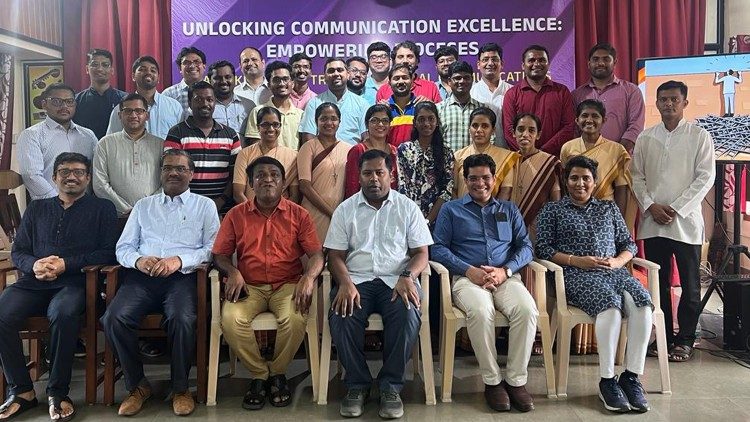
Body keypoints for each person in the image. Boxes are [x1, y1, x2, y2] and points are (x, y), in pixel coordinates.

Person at [101, 149, 220, 417]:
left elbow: (211, 249)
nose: (173, 173)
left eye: (180, 168)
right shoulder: (144, 206)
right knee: (114, 318)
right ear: (161, 173)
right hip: (142, 278)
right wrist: (139, 260)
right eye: (167, 168)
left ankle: (180, 388)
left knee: (182, 318)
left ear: (192, 174)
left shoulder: (205, 206)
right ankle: (137, 386)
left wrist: (179, 260)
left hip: (183, 278)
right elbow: (123, 247)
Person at [0, 153, 116, 421]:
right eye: (64, 172)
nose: (71, 177)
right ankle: (22, 391)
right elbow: (19, 252)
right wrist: (35, 264)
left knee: (62, 313)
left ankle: (57, 392)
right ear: (54, 177)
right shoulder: (37, 208)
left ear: (88, 178)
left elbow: (108, 252)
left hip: (76, 283)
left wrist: (66, 264)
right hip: (34, 282)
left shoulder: (103, 208)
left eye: (78, 172)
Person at [536, 155, 653, 413]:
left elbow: (629, 244)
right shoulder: (553, 210)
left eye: (586, 178)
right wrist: (576, 261)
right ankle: (607, 380)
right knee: (610, 307)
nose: (580, 183)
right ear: (565, 181)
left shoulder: (608, 208)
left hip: (614, 273)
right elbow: (543, 248)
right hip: (576, 275)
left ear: (595, 181)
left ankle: (631, 377)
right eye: (574, 178)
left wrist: (618, 261)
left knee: (643, 305)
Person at [325, 149, 433, 419]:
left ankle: (390, 386)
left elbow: (421, 253)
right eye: (367, 173)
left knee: (408, 313)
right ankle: (357, 384)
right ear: (359, 176)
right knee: (342, 313)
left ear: (391, 175)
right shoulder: (345, 210)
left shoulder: (407, 207)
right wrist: (345, 283)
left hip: (396, 280)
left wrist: (407, 276)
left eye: (379, 172)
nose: (373, 178)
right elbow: (335, 256)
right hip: (356, 280)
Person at [213, 156, 324, 410]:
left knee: (295, 317)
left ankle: (278, 372)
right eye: (260, 175)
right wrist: (232, 271)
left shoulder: (299, 214)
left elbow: (317, 255)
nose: (268, 179)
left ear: (283, 182)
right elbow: (219, 254)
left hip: (287, 285)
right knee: (230, 319)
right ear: (251, 183)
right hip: (249, 286)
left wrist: (309, 277)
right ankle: (260, 374)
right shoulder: (236, 215)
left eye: (274, 175)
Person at [432, 153, 537, 413]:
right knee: (481, 311)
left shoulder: (509, 210)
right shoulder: (451, 210)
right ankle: (492, 381)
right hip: (467, 279)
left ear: (495, 179)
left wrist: (505, 271)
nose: (480, 183)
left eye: (486, 177)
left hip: (505, 278)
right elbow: (438, 248)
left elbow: (526, 247)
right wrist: (469, 271)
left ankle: (516, 381)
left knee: (527, 310)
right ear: (465, 180)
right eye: (474, 178)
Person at [632, 80, 715, 363]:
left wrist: (676, 208)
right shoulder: (646, 137)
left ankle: (686, 339)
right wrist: (651, 206)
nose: (668, 104)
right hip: (653, 222)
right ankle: (664, 337)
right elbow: (637, 176)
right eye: (663, 99)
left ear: (685, 103)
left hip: (685, 223)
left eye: (674, 99)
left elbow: (705, 178)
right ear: (656, 103)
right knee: (659, 284)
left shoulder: (699, 136)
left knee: (690, 285)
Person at [164, 81, 241, 213]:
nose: (205, 104)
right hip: (186, 208)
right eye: (198, 99)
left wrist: (221, 200)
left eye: (209, 99)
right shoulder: (176, 133)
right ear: (189, 103)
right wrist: (191, 203)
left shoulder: (231, 135)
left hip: (222, 209)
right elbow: (172, 173)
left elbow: (236, 175)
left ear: (215, 102)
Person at [561, 99, 637, 231]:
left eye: (595, 116)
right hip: (574, 213)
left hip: (605, 213)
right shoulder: (567, 148)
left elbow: (621, 189)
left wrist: (618, 222)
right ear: (577, 120)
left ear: (604, 120)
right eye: (584, 116)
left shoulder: (616, 149)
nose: (589, 120)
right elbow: (565, 185)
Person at [18, 83, 98, 200]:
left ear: (75, 105)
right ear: (44, 104)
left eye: (69, 101)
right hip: (48, 205)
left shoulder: (88, 135)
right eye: (57, 101)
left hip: (85, 205)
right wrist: (59, 202)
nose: (64, 106)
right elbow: (31, 176)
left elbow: (96, 172)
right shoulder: (32, 135)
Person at [93, 93, 163, 220]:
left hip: (152, 215)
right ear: (120, 115)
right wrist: (126, 210)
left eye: (139, 111)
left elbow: (167, 182)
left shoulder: (161, 145)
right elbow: (99, 184)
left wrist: (145, 208)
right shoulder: (105, 144)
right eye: (128, 111)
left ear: (147, 115)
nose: (133, 115)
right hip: (116, 216)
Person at [502, 45, 575, 156]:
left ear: (548, 64)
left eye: (541, 60)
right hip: (521, 159)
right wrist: (527, 152)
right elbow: (508, 130)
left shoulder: (562, 92)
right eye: (531, 60)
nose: (536, 64)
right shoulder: (512, 94)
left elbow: (568, 127)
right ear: (523, 65)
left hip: (554, 159)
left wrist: (542, 153)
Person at [572, 43, 645, 154]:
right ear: (589, 64)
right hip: (585, 159)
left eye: (606, 59)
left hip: (620, 158)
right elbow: (574, 130)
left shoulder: (631, 91)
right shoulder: (577, 95)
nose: (600, 63)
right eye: (596, 59)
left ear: (614, 62)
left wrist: (614, 154)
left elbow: (635, 127)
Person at [297, 102, 352, 242]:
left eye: (333, 118)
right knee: (312, 252)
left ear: (339, 122)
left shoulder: (349, 149)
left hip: (340, 214)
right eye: (323, 119)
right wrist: (331, 212)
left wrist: (339, 214)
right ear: (316, 121)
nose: (329, 123)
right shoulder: (308, 147)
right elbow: (304, 186)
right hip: (313, 212)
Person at [397, 101, 454, 226]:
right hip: (407, 217)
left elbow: (447, 189)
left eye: (431, 119)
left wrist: (428, 220)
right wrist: (412, 218)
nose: (426, 123)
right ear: (414, 123)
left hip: (436, 219)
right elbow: (402, 185)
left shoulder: (446, 153)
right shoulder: (404, 150)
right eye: (421, 119)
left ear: (437, 122)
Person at [233, 107, 299, 204]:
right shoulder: (245, 154)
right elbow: (238, 193)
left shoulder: (292, 156)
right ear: (257, 127)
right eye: (265, 125)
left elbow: (295, 195)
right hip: (249, 210)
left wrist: (281, 212)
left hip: (282, 211)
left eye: (275, 125)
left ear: (280, 126)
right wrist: (251, 211)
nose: (271, 129)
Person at [106, 56, 183, 139]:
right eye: (142, 69)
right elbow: (111, 140)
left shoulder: (174, 106)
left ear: (158, 78)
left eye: (153, 70)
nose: (148, 72)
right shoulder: (121, 109)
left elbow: (182, 139)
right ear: (133, 76)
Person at [509, 113, 561, 234]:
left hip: (539, 225)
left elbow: (556, 200)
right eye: (520, 129)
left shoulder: (550, 162)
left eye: (531, 130)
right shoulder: (508, 160)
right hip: (510, 224)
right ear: (513, 133)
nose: (525, 134)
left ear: (538, 135)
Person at [299, 58, 369, 146]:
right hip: (322, 154)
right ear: (324, 77)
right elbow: (308, 138)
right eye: (331, 71)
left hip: (353, 153)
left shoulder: (362, 104)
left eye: (340, 70)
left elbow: (367, 137)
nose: (336, 74)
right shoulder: (314, 103)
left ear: (348, 74)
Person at [453, 107, 519, 199]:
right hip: (461, 207)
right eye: (475, 125)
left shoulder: (506, 157)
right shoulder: (458, 156)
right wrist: (458, 208)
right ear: (469, 129)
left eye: (485, 126)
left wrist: (493, 208)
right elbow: (454, 190)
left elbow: (506, 190)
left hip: (493, 208)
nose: (479, 130)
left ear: (493, 130)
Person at [245, 61, 303, 149]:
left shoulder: (301, 115)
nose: (282, 84)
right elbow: (255, 148)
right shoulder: (257, 112)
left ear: (292, 84)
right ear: (269, 85)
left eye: (285, 79)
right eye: (276, 80)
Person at [344, 104, 398, 198]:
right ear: (366, 124)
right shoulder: (358, 150)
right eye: (374, 120)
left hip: (391, 203)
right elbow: (352, 186)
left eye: (385, 121)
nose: (380, 124)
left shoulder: (394, 151)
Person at [73, 48, 127, 139]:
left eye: (105, 65)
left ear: (112, 70)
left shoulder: (125, 100)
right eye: (95, 64)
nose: (100, 69)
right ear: (87, 69)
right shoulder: (75, 101)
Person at [438, 61, 486, 152]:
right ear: (449, 81)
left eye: (466, 78)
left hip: (477, 160)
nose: (462, 81)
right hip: (448, 161)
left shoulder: (483, 109)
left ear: (472, 79)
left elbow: (490, 138)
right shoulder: (439, 109)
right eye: (457, 78)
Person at [376, 40, 441, 103]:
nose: (405, 61)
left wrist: (430, 106)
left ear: (417, 61)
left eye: (410, 56)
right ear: (393, 61)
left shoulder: (431, 88)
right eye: (400, 57)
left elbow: (439, 110)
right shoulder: (383, 91)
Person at [207, 60, 255, 136]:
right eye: (218, 78)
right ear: (210, 81)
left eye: (228, 77)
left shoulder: (249, 105)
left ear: (235, 79)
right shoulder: (204, 107)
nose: (223, 81)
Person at [470, 43, 513, 116]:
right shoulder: (471, 92)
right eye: (485, 60)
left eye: (494, 59)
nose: (490, 63)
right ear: (478, 64)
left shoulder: (512, 91)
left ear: (502, 64)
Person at [163, 47, 207, 114]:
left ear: (204, 66)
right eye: (186, 62)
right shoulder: (169, 94)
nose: (192, 66)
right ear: (180, 68)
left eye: (196, 62)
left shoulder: (213, 92)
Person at [384, 63, 417, 147]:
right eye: (396, 78)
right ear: (389, 83)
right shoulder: (384, 109)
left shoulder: (420, 107)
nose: (401, 81)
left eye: (405, 78)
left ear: (412, 81)